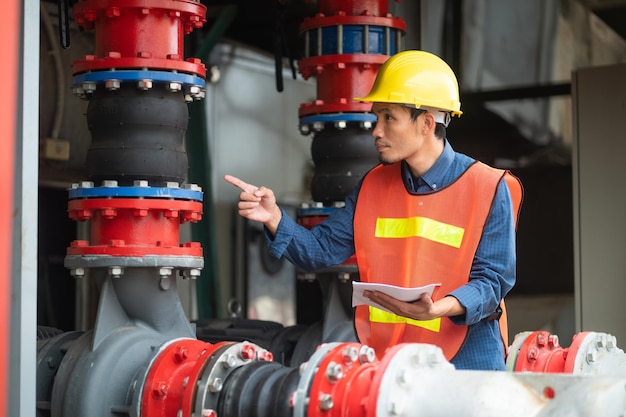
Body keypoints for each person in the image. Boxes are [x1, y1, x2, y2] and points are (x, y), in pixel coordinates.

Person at [225, 50, 523, 370]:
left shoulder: (488, 187)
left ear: (425, 123)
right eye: (376, 117)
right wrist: (274, 219)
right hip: (396, 363)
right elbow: (320, 249)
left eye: (388, 117)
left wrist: (438, 309)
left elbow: (492, 282)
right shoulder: (373, 186)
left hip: (469, 360)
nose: (375, 131)